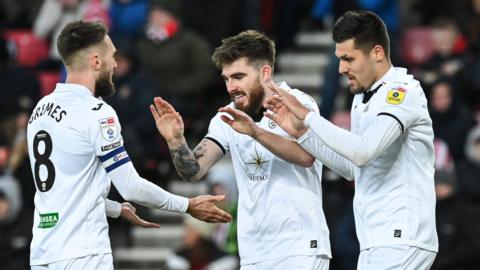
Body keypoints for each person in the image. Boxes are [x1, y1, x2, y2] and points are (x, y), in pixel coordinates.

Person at [26, 21, 231, 270]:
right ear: (96, 61)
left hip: (44, 252)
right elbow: (131, 187)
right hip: (82, 253)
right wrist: (187, 205)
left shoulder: (41, 110)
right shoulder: (96, 112)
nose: (114, 64)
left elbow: (62, 188)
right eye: (112, 56)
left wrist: (114, 208)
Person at [262, 10, 438, 269]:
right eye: (339, 59)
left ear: (377, 53)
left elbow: (362, 152)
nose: (342, 69)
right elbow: (351, 168)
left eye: (348, 59)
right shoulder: (361, 99)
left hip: (402, 236)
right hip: (374, 240)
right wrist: (302, 134)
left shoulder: (402, 92)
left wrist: (309, 116)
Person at [150, 30, 331, 269]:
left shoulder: (298, 103)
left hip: (298, 246)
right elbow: (194, 170)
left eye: (238, 76)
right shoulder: (226, 116)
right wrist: (175, 140)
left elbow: (307, 157)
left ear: (265, 73)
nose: (231, 87)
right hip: (253, 251)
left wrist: (255, 132)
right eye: (226, 78)